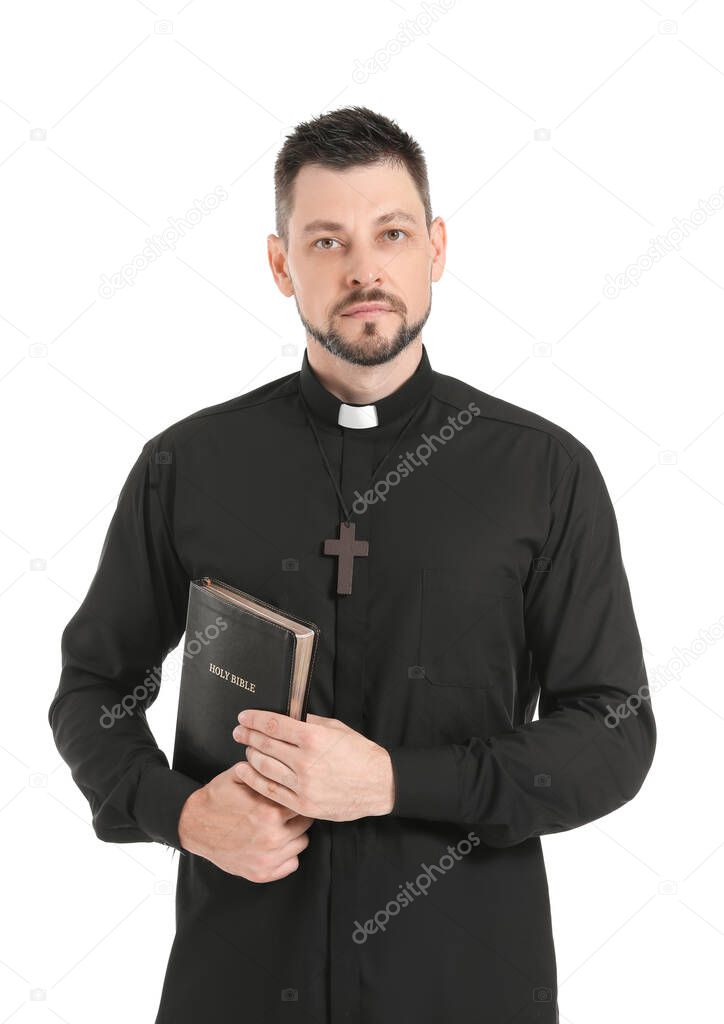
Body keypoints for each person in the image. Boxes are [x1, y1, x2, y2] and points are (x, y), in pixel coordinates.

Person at [49, 105, 656, 1023]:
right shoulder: (190, 465)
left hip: (467, 985)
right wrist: (178, 813)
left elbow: (614, 733)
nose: (365, 269)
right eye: (326, 239)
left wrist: (390, 781)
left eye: (393, 234)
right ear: (281, 263)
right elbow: (95, 686)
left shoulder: (542, 472)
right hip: (237, 985)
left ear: (437, 248)